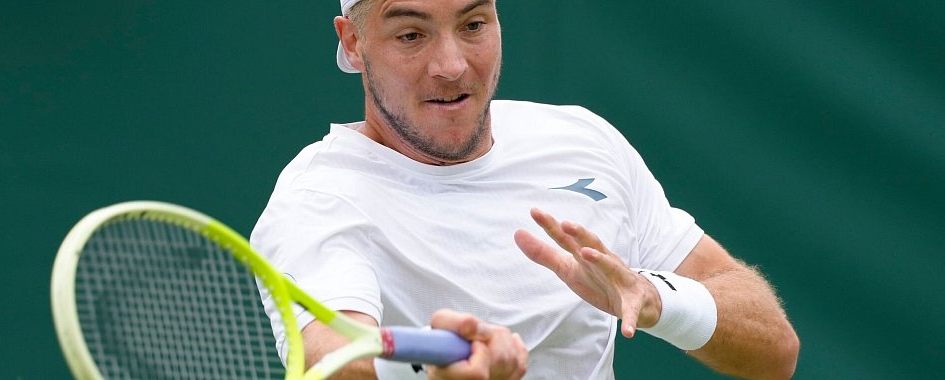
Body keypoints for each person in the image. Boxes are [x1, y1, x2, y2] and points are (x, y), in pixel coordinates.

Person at [251, 0, 800, 378]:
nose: (451, 65)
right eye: (411, 35)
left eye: (473, 24)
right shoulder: (319, 198)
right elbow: (334, 357)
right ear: (352, 44)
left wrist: (655, 298)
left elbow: (774, 350)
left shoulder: (582, 142)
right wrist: (426, 366)